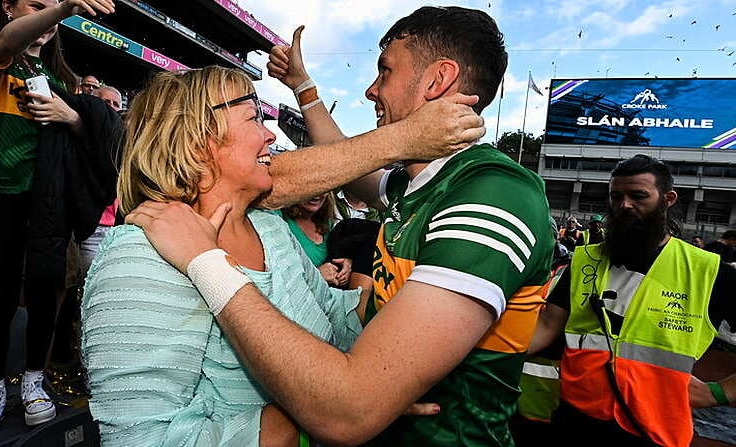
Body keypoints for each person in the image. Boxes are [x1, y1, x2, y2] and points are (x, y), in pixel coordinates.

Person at [129, 7, 554, 446]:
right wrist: (303, 87)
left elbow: (350, 410)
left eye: (385, 70)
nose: (372, 89)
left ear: (437, 80)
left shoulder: (490, 194)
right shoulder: (417, 187)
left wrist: (206, 263)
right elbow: (341, 163)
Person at [81, 66, 486, 446]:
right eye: (254, 117)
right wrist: (310, 415)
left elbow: (337, 318)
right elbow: (139, 438)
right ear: (196, 137)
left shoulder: (270, 228)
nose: (271, 136)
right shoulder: (140, 255)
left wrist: (386, 382)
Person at [0, 0, 115, 436]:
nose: (48, 17)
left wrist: (72, 116)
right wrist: (65, 8)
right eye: (36, 5)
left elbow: (94, 138)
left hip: (50, 203)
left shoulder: (63, 80)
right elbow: (10, 40)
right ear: (8, 7)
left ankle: (34, 380)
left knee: (47, 290)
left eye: (53, 9)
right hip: (1, 195)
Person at [528, 154, 736, 446]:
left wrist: (718, 393)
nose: (624, 205)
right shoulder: (584, 261)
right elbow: (547, 326)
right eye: (616, 196)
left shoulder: (708, 271)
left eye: (638, 196)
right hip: (576, 420)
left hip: (653, 429)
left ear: (668, 199)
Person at [282, 193, 352, 287]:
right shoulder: (281, 220)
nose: (316, 195)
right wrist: (316, 275)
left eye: (323, 189)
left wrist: (346, 265)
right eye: (308, 186)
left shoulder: (329, 223)